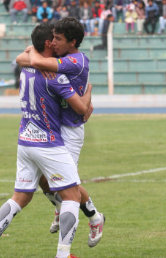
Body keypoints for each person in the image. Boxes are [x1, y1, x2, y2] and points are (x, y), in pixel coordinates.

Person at [0, 23, 92, 258]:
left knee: (19, 198)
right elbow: (82, 109)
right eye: (54, 39)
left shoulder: (25, 68)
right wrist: (89, 92)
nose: (56, 42)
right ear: (49, 44)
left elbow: (26, 55)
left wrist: (31, 52)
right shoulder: (55, 77)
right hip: (48, 143)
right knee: (71, 196)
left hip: (24, 140)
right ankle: (63, 254)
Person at [16, 17, 105, 247]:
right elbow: (20, 59)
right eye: (52, 38)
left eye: (58, 39)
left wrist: (35, 56)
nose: (53, 43)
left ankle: (95, 217)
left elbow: (30, 59)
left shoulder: (74, 61)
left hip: (71, 130)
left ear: (72, 42)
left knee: (70, 188)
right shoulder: (60, 57)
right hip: (52, 128)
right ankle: (59, 207)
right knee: (45, 182)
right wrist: (36, 56)